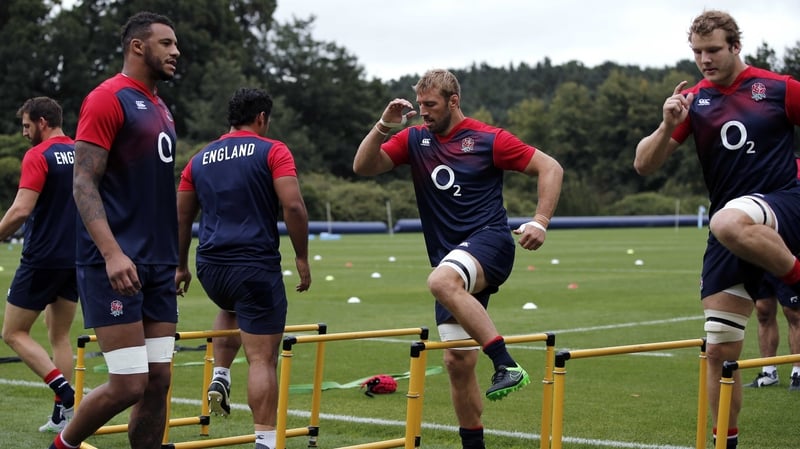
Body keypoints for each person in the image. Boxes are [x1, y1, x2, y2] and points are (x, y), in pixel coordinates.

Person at [353, 69, 563, 449]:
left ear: (454, 101)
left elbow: (550, 167)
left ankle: (506, 363)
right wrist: (384, 124)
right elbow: (364, 167)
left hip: (490, 244)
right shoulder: (415, 139)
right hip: (453, 257)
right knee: (457, 363)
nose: (424, 112)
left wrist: (541, 221)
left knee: (440, 281)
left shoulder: (488, 139)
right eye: (420, 105)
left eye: (430, 105)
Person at [634, 10, 800, 449]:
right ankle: (725, 440)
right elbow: (643, 164)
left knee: (726, 218)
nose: (704, 59)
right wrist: (668, 123)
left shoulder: (779, 89)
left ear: (735, 47)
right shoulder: (695, 101)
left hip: (784, 205)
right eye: (697, 52)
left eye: (712, 50)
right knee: (719, 351)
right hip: (731, 232)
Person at [49, 11, 180, 449]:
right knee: (128, 384)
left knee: (159, 380)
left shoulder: (161, 107)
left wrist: (175, 259)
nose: (176, 51)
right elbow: (83, 180)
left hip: (158, 264)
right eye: (166, 43)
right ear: (137, 46)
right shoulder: (108, 97)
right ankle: (62, 446)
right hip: (115, 261)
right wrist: (111, 253)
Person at [174, 87, 311, 449]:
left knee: (230, 306)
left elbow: (181, 216)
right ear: (261, 118)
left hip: (210, 267)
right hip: (253, 265)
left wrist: (181, 266)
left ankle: (220, 374)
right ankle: (265, 441)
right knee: (262, 359)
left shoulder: (198, 159)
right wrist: (301, 257)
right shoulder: (273, 150)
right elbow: (293, 207)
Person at [0, 97, 77, 434]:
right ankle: (63, 416)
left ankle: (63, 390)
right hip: (75, 259)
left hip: (42, 258)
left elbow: (20, 210)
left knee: (13, 333)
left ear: (44, 122)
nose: (25, 133)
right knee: (59, 335)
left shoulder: (38, 155)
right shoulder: (81, 151)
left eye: (27, 126)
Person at [747, 275, 800, 390]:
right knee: (763, 312)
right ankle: (769, 373)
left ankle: (798, 373)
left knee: (794, 313)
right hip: (762, 262)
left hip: (787, 260)